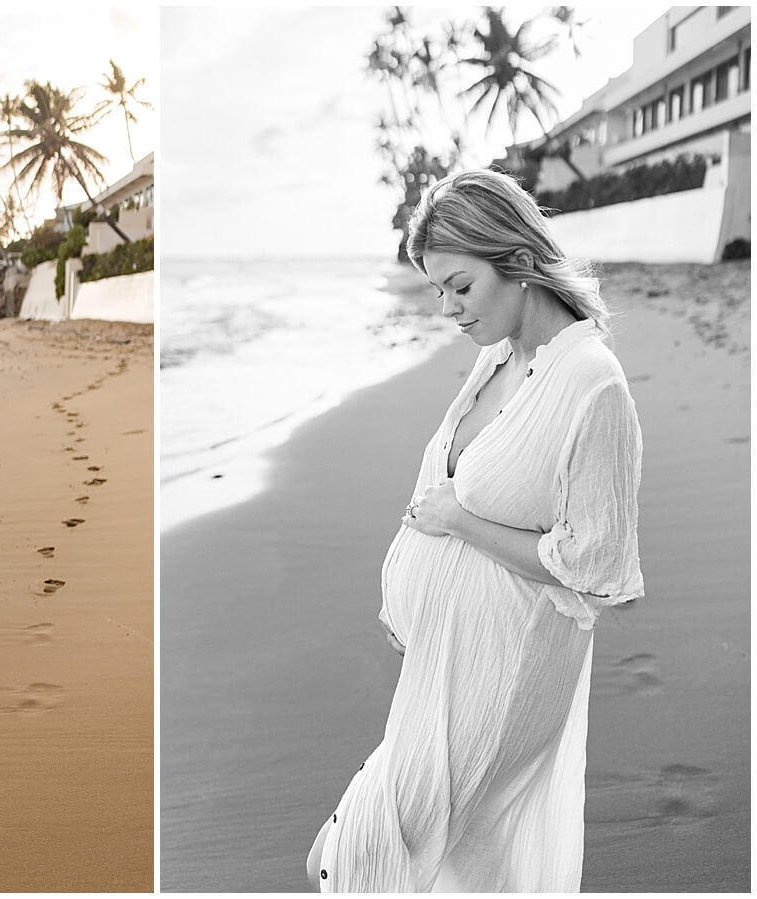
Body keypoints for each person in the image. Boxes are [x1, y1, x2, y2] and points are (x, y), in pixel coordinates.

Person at [307, 169, 643, 891]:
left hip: (504, 679)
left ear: (518, 263)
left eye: (460, 286)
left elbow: (599, 564)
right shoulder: (499, 358)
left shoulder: (593, 383)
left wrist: (460, 519)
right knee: (437, 869)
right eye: (436, 290)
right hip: (440, 670)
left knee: (355, 860)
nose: (447, 309)